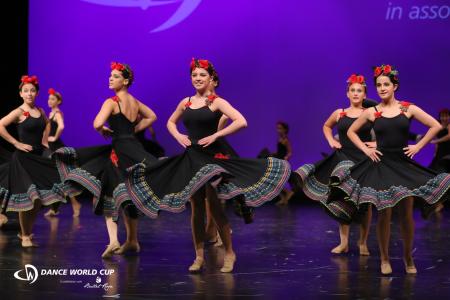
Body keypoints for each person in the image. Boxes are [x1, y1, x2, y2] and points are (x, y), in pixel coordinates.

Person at [125, 58, 291, 273]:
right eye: (194, 75)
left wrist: (217, 135)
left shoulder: (216, 102)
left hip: (211, 159)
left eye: (202, 75)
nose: (197, 78)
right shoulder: (186, 102)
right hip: (192, 157)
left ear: (211, 79)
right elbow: (169, 122)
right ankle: (199, 256)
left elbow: (241, 121)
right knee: (196, 209)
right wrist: (178, 136)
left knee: (213, 206)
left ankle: (229, 253)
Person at [331, 64, 450, 274]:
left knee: (406, 213)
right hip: (381, 166)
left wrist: (418, 146)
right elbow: (350, 132)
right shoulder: (372, 112)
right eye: (378, 85)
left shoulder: (407, 108)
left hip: (403, 165)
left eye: (386, 84)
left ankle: (407, 257)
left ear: (395, 85)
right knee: (384, 213)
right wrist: (366, 150)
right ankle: (385, 259)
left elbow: (435, 126)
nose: (382, 88)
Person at [53, 62, 158, 258]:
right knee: (129, 193)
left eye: (115, 76)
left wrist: (103, 130)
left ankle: (114, 240)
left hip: (119, 149)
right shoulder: (134, 102)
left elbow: (97, 123)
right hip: (133, 147)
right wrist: (132, 131)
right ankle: (132, 241)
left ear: (125, 81)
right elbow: (152, 116)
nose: (110, 78)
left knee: (109, 193)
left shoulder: (112, 101)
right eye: (110, 75)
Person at [293, 74, 373, 255]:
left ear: (364, 95)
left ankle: (362, 242)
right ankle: (343, 242)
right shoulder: (340, 113)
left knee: (364, 202)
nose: (355, 93)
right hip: (343, 159)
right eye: (352, 90)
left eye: (359, 91)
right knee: (342, 199)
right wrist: (331, 141)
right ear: (347, 93)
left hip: (363, 160)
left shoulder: (369, 113)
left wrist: (375, 144)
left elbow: (384, 131)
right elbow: (326, 126)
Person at [0, 75, 70, 246]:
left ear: (37, 93)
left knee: (39, 200)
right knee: (28, 197)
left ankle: (26, 233)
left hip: (38, 158)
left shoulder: (40, 111)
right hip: (22, 160)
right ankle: (24, 236)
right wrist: (16, 143)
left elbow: (46, 124)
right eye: (26, 91)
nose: (29, 94)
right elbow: (0, 125)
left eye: (32, 91)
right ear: (21, 94)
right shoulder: (18, 112)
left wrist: (45, 142)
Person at [44, 88, 82, 217]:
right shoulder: (50, 113)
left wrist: (54, 137)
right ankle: (55, 208)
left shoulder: (57, 113)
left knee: (62, 177)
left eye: (53, 99)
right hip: (51, 146)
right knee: (57, 178)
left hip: (56, 147)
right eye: (49, 98)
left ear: (58, 101)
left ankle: (74, 204)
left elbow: (61, 126)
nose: (49, 101)